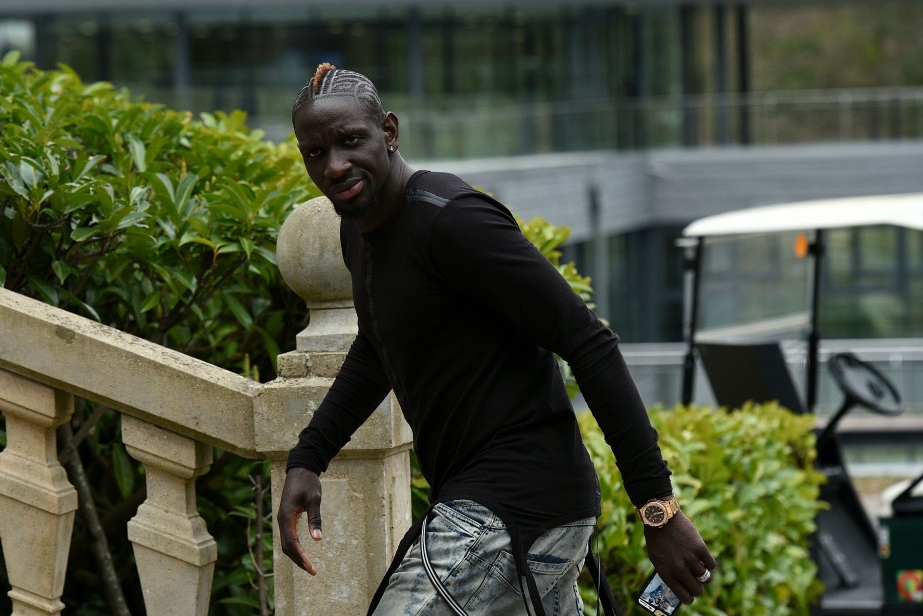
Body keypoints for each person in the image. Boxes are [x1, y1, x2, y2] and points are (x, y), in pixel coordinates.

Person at [277, 63, 717, 616]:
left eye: (349, 141)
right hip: (487, 500)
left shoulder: (454, 221)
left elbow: (588, 342)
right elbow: (378, 345)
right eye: (315, 153)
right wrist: (308, 458)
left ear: (388, 132)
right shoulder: (358, 230)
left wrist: (659, 509)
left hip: (517, 499)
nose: (335, 165)